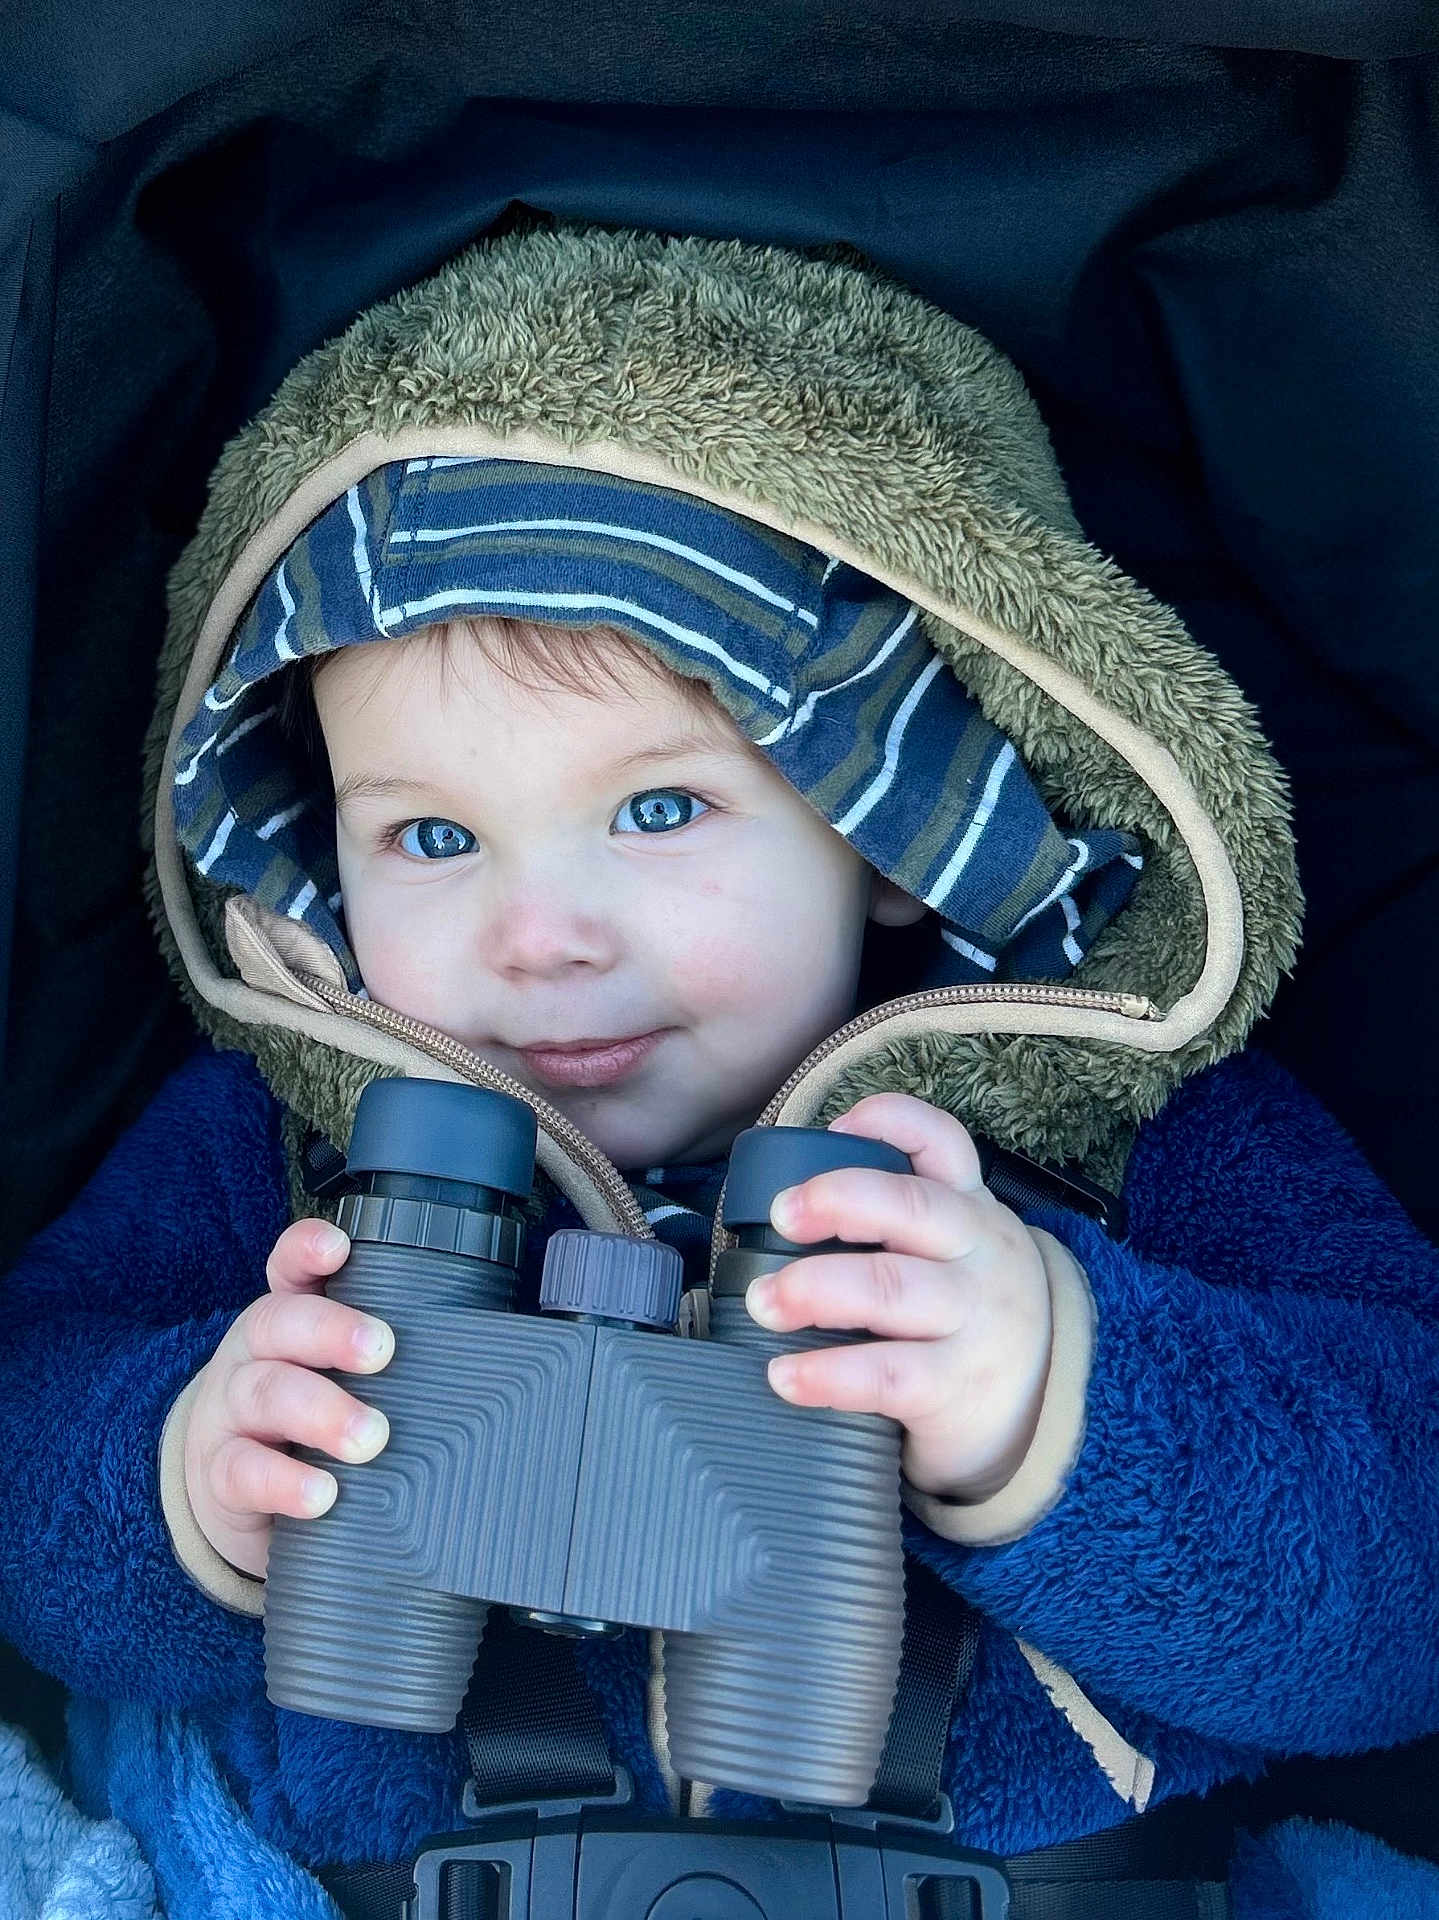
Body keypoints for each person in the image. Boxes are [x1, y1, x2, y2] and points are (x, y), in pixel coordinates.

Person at [2, 225, 1436, 1920]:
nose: (540, 937)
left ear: (889, 832)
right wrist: (191, 1478)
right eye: (436, 835)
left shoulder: (1127, 1137)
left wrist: (1058, 1403)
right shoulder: (295, 1152)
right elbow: (31, 1457)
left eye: (661, 810)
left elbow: (1405, 1581)